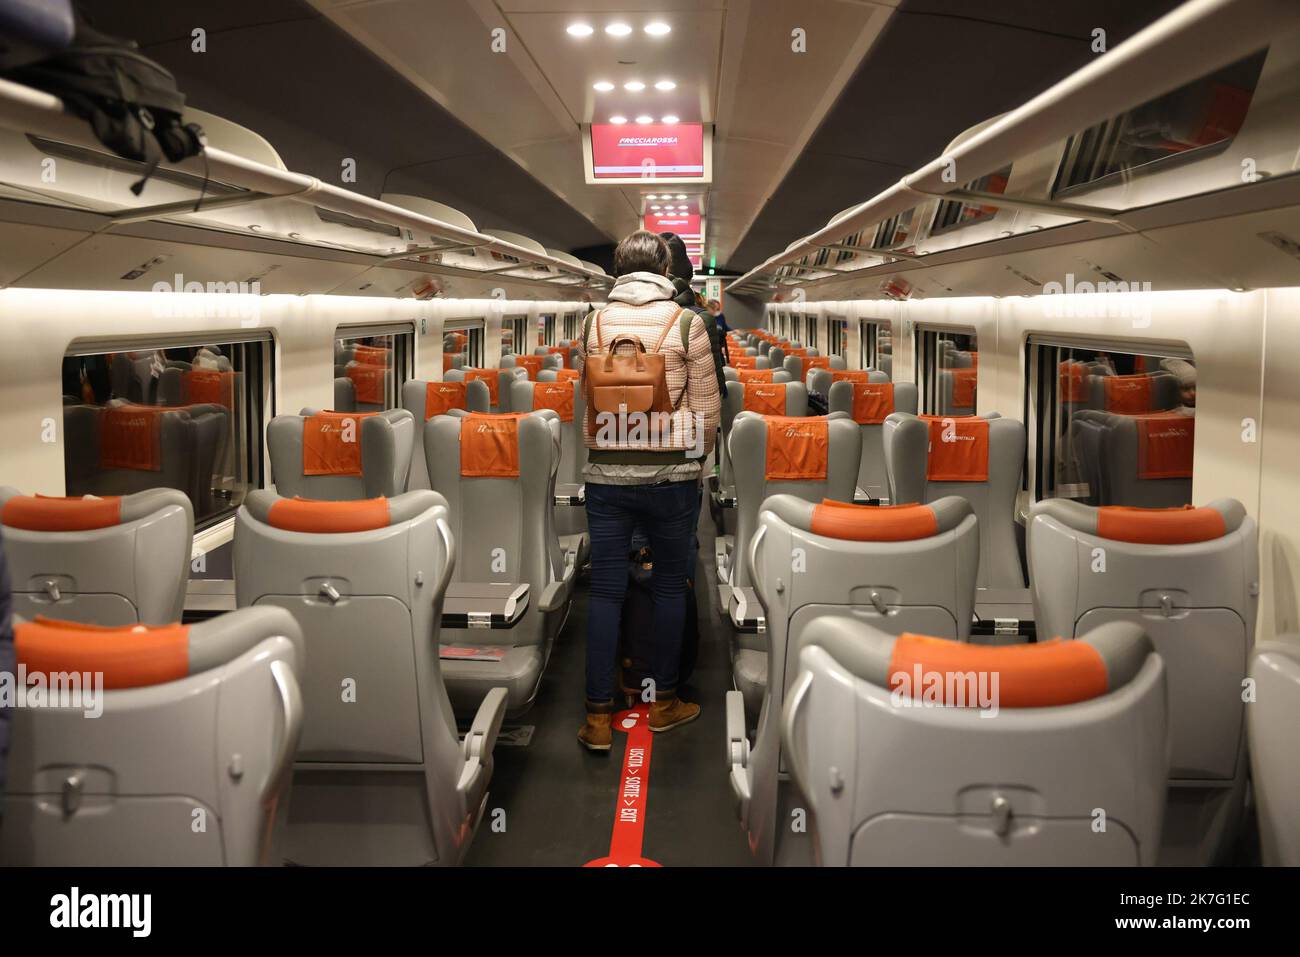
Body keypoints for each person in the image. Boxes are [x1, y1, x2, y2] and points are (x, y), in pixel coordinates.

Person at [575, 231, 721, 751]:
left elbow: (588, 397)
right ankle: (663, 703)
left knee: (607, 593)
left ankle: (596, 717)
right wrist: (688, 456)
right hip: (671, 481)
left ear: (618, 268)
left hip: (605, 479)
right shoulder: (689, 324)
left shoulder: (593, 322)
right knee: (667, 589)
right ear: (665, 267)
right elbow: (706, 413)